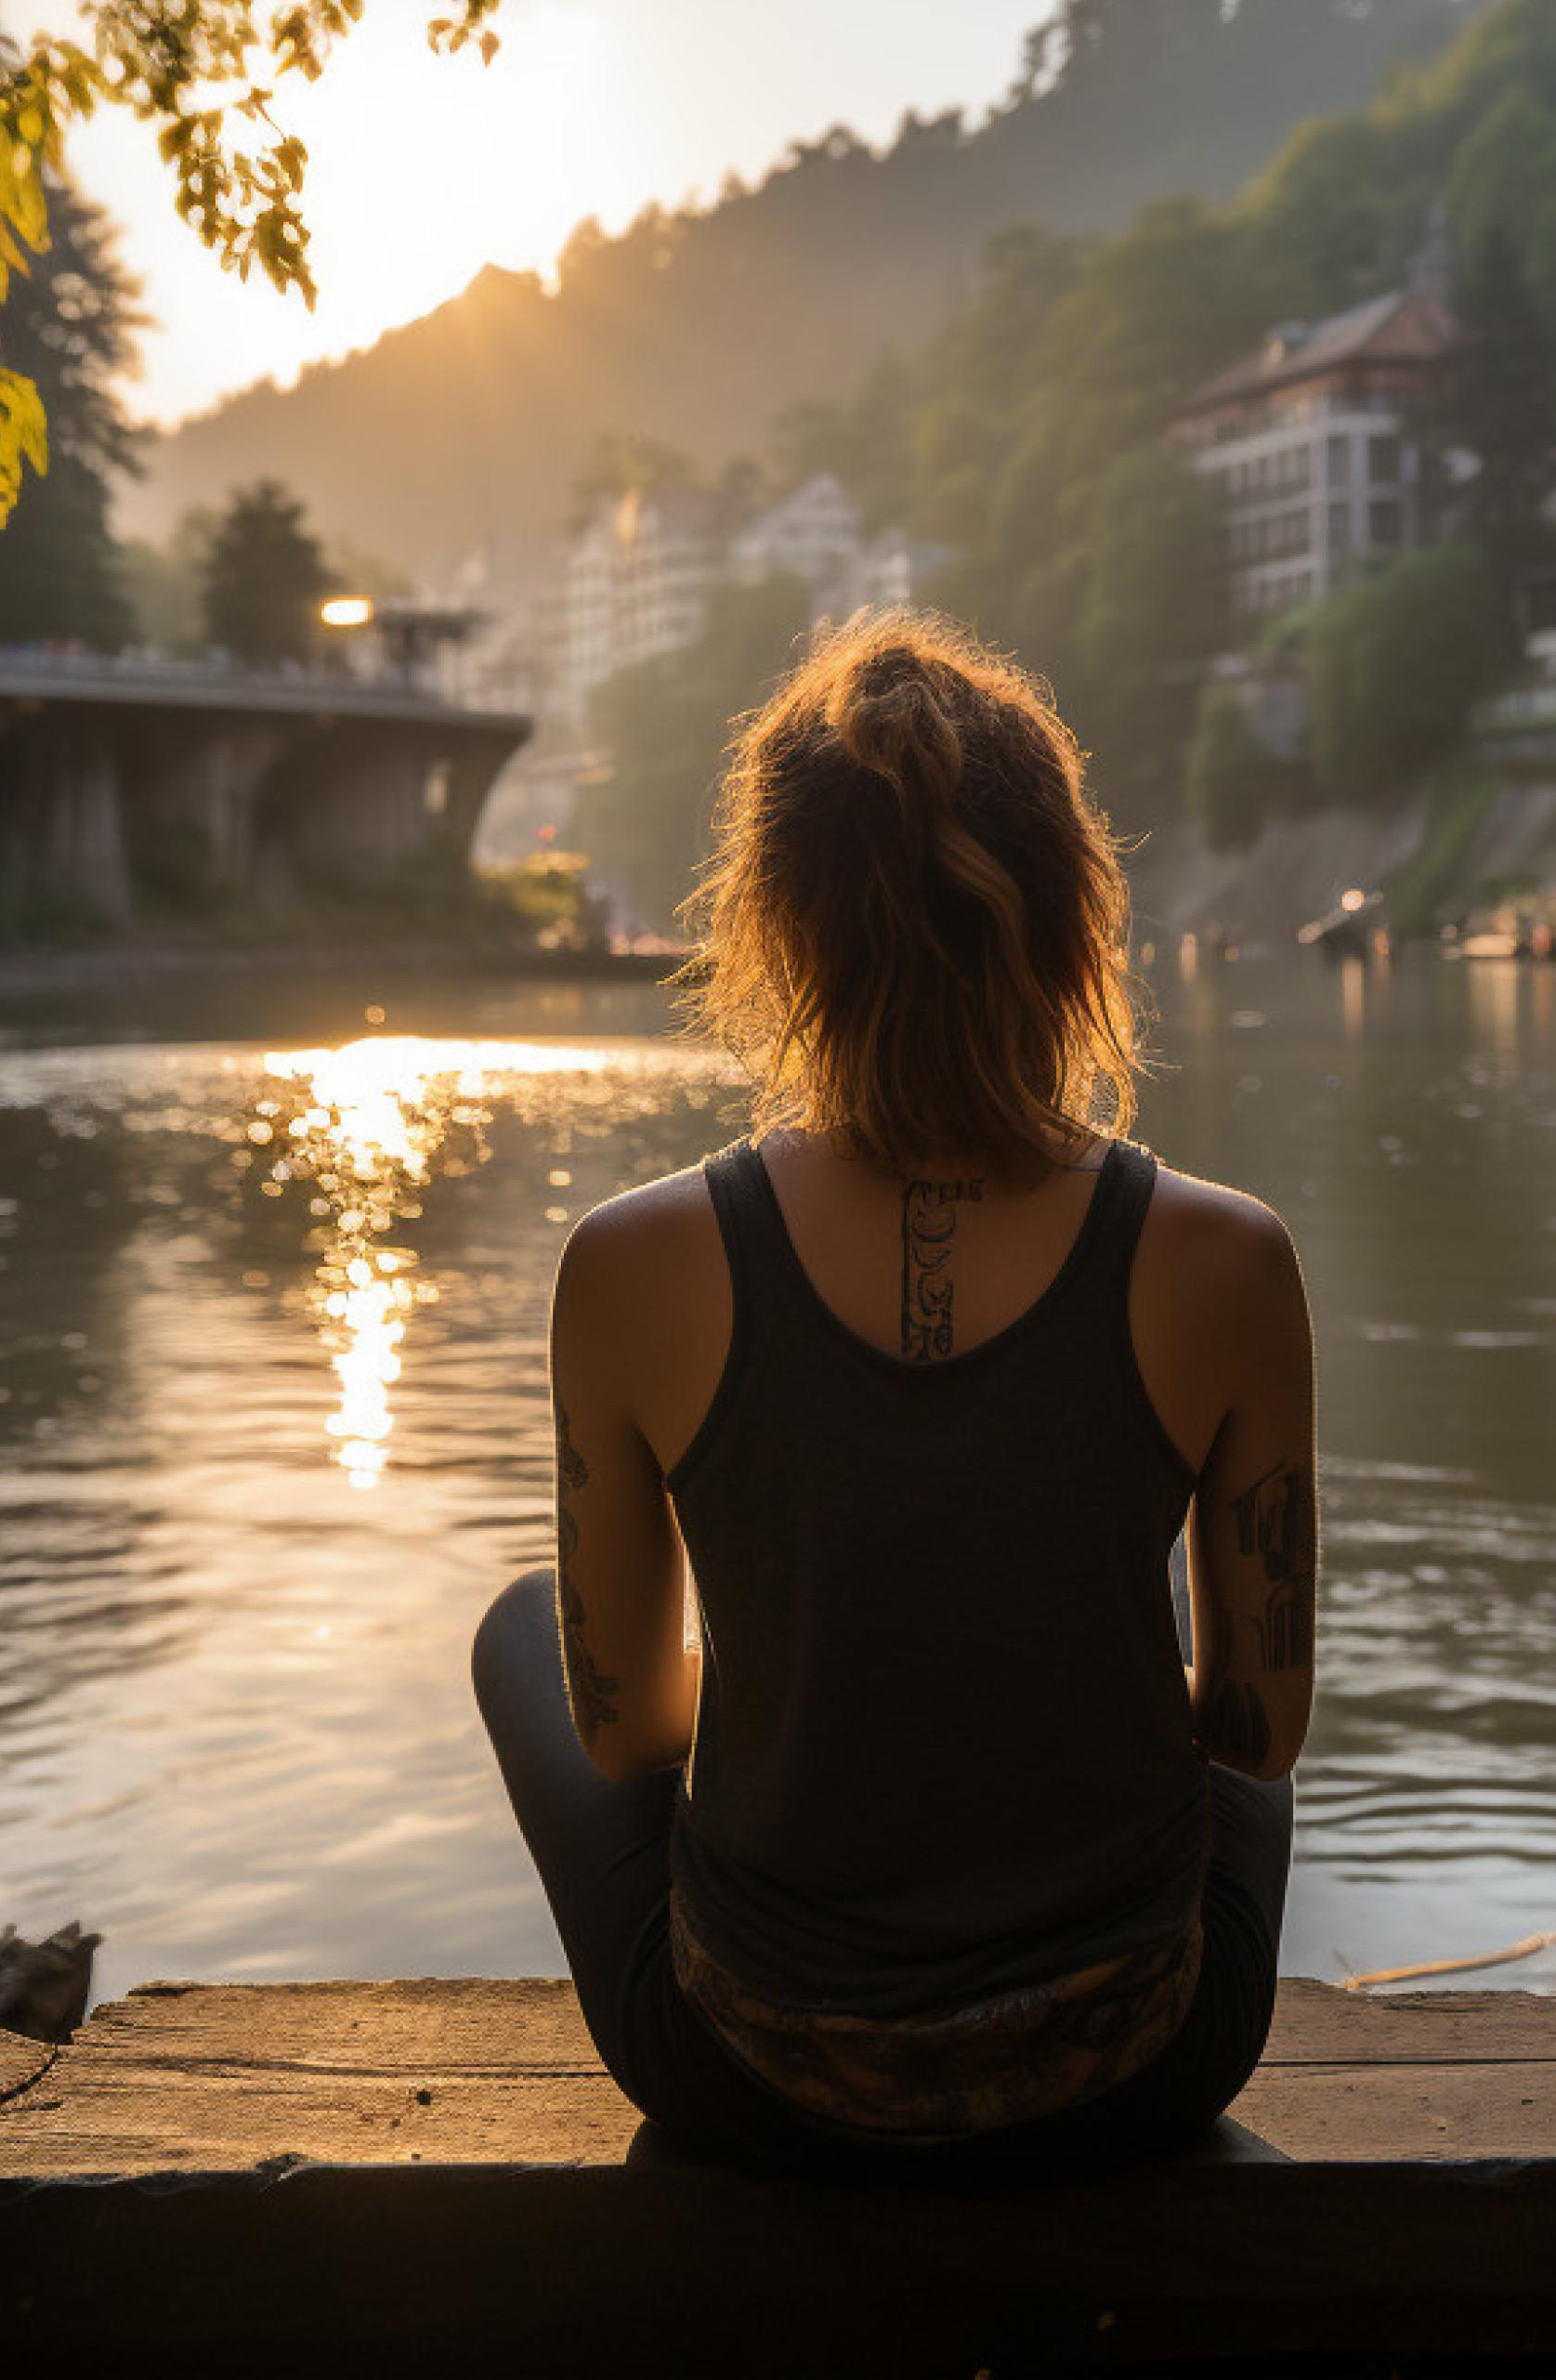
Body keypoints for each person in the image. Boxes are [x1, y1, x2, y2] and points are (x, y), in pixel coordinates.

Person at [472, 610, 1316, 2171]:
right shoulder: (1227, 1259)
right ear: (1077, 918)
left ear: (775, 934)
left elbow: (625, 1736)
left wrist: (835, 1684)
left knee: (528, 1628)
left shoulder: (630, 1264)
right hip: (1137, 2065)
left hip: (754, 2072)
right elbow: (1255, 1737)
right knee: (1209, 1724)